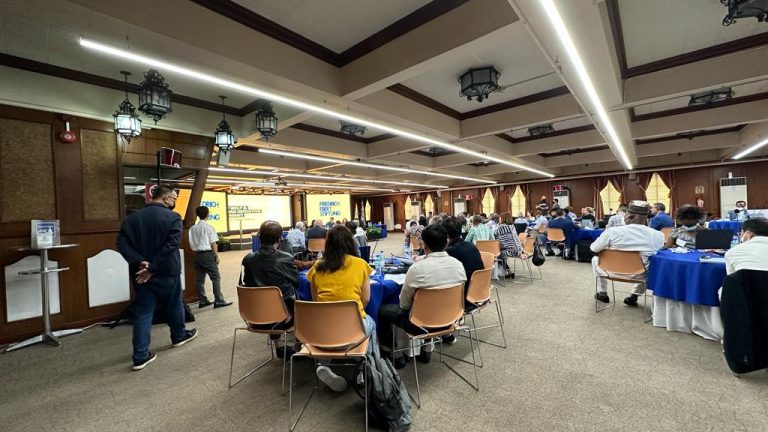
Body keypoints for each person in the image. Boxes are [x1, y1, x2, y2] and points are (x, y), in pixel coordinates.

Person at [116, 185, 197, 371]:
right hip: (167, 272)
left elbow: (121, 243)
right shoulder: (173, 217)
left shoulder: (132, 218)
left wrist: (140, 262)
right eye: (174, 199)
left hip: (141, 274)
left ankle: (140, 356)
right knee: (174, 304)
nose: (174, 202)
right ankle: (178, 336)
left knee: (143, 312)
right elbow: (171, 245)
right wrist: (153, 267)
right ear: (166, 198)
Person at [378, 224, 466, 369]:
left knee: (382, 311)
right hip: (451, 319)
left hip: (420, 324)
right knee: (432, 308)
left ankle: (395, 353)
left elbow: (403, 304)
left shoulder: (417, 269)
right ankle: (426, 349)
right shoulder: (458, 265)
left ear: (423, 244)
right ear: (446, 242)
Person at [306, 225, 377, 391]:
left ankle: (324, 364)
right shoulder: (360, 264)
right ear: (350, 243)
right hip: (353, 330)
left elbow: (315, 300)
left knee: (328, 324)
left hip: (322, 331)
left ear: (328, 244)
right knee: (371, 323)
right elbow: (366, 299)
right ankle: (366, 368)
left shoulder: (317, 266)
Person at [241, 220, 300, 358]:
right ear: (279, 239)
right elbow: (296, 282)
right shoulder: (285, 258)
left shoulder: (247, 259)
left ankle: (279, 346)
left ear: (259, 237)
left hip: (253, 315)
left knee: (271, 300)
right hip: (283, 317)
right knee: (301, 305)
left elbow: (247, 283)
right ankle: (298, 348)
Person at [590, 201, 665, 306]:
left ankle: (602, 292)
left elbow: (593, 249)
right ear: (646, 218)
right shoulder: (658, 235)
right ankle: (634, 296)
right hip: (640, 276)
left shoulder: (612, 232)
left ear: (629, 216)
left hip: (609, 271)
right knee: (650, 265)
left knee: (595, 259)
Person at [189, 206, 231, 309]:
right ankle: (219, 300)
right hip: (207, 255)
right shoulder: (209, 227)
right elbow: (213, 244)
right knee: (215, 277)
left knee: (200, 279)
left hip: (197, 255)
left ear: (197, 215)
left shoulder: (192, 228)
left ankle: (202, 300)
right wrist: (216, 256)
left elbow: (191, 243)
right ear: (208, 214)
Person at [443, 216, 485, 312]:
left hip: (462, 296)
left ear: (446, 235)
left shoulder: (450, 251)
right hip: (480, 290)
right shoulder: (471, 246)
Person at [495, 212, 525, 277]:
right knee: (500, 252)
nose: (499, 218)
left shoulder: (502, 227)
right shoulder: (512, 226)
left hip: (512, 251)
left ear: (503, 218)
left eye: (500, 217)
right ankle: (507, 271)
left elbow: (495, 236)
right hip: (519, 250)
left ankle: (508, 271)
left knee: (497, 255)